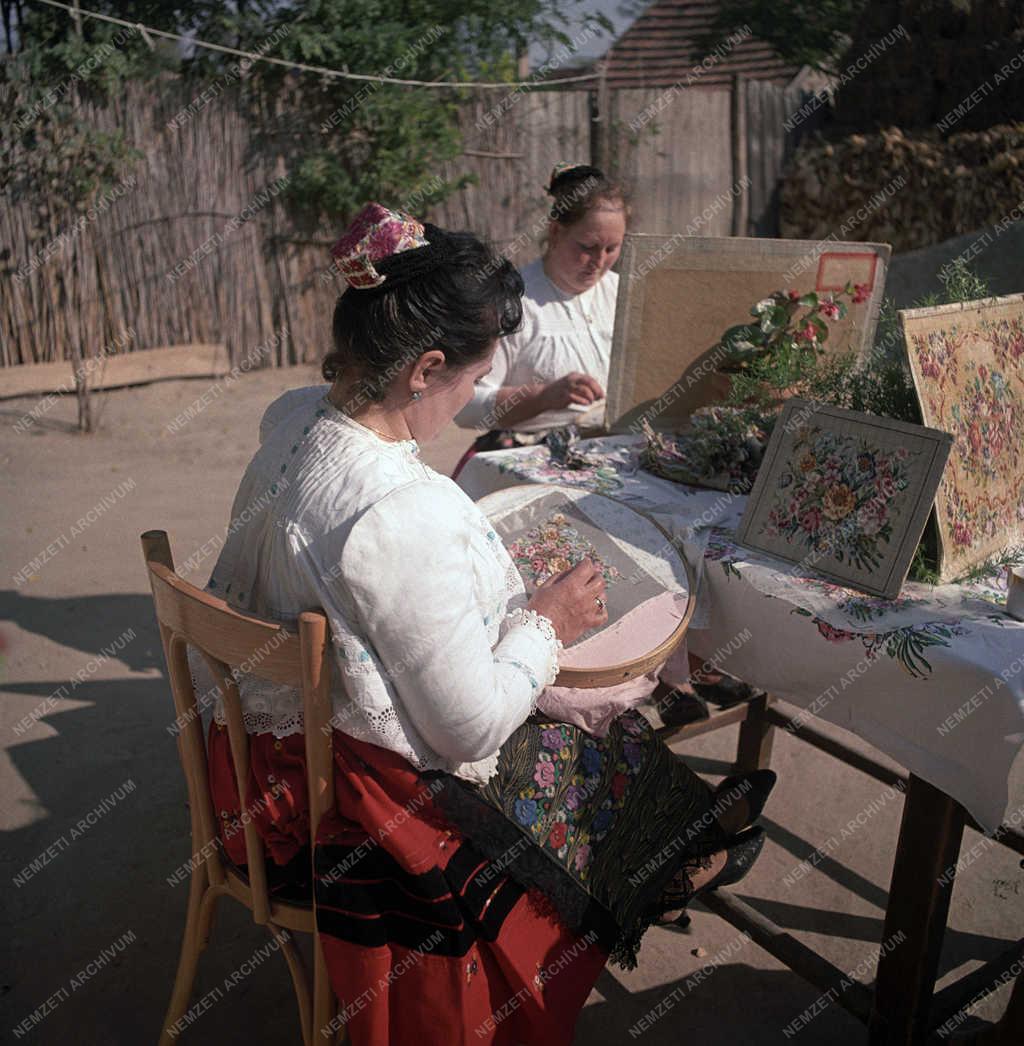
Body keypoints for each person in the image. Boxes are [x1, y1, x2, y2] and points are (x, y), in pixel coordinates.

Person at [193, 203, 774, 1046]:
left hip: (251, 754)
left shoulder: (289, 419)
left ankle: (678, 849)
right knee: (587, 735)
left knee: (581, 722)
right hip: (341, 798)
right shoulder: (399, 512)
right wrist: (544, 621)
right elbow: (466, 727)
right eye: (471, 382)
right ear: (426, 368)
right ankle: (668, 867)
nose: (473, 397)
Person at [452, 162, 624, 464]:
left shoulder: (623, 295)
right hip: (530, 457)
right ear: (556, 232)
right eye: (588, 247)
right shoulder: (512, 302)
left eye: (612, 249)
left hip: (615, 452)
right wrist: (544, 397)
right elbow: (465, 408)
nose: (599, 261)